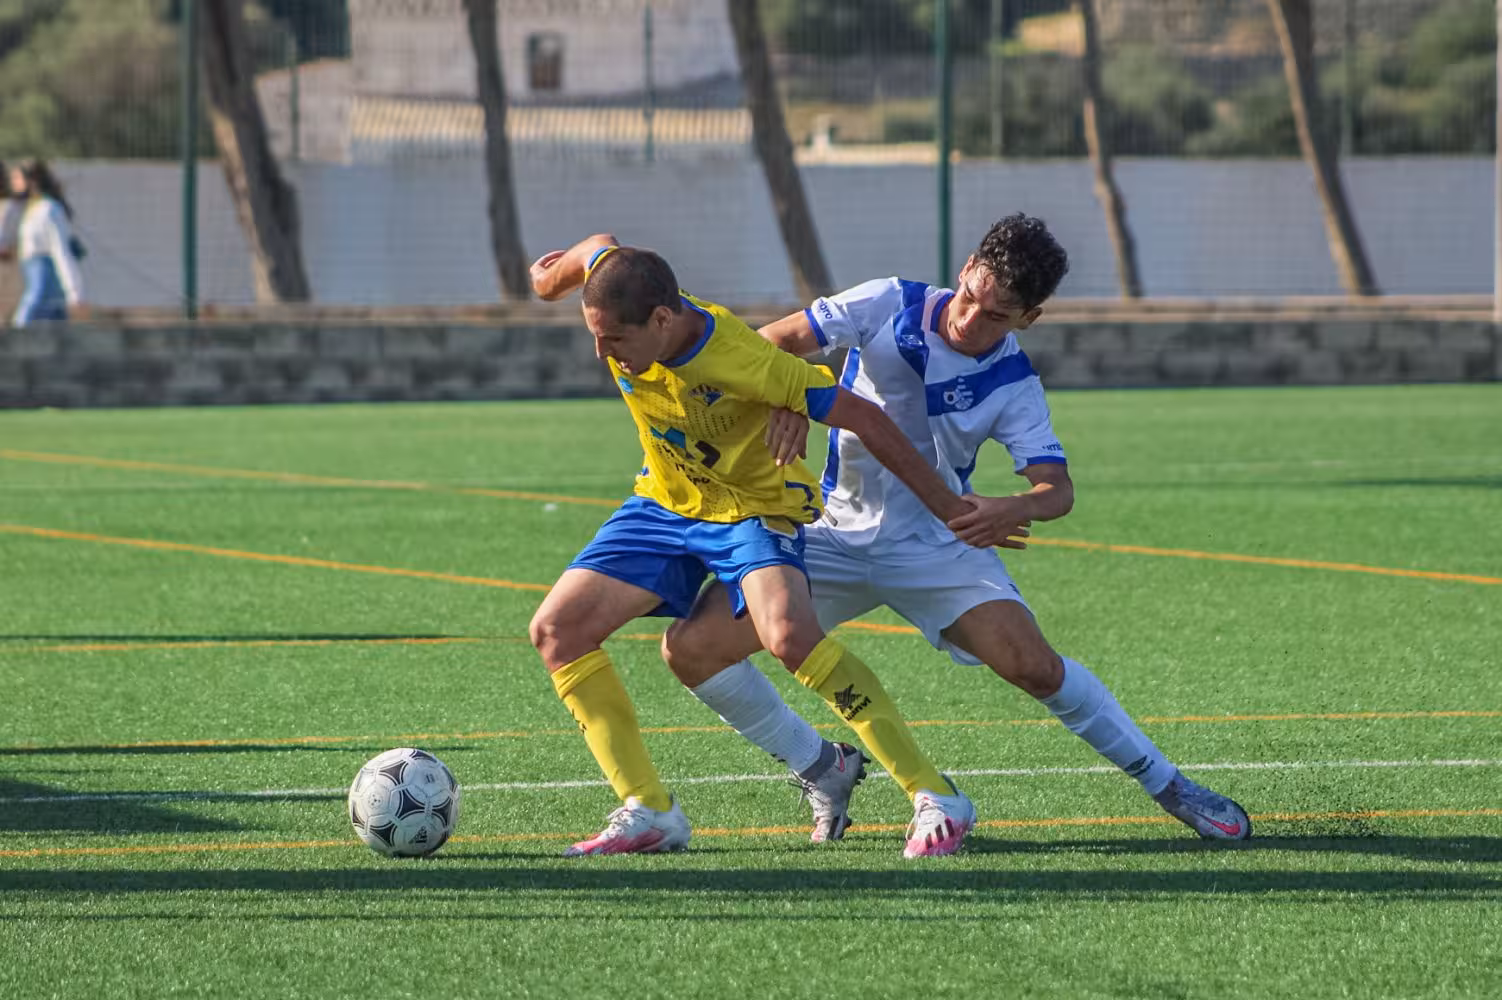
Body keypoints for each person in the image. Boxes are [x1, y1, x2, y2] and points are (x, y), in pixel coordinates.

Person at [661, 214, 1252, 852]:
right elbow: (764, 343)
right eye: (972, 296)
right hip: (824, 533)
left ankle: (1170, 786)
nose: (971, 320)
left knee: (1035, 667)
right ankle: (819, 766)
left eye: (997, 315)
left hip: (937, 548)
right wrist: (786, 398)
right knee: (691, 649)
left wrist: (1014, 507)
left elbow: (1058, 489)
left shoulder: (1015, 384)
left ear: (1031, 317)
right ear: (967, 266)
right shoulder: (887, 300)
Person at [527, 233, 990, 857]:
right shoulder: (621, 282)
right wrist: (547, 281)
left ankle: (935, 794)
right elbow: (596, 250)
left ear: (662, 320)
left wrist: (951, 511)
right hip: (666, 500)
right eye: (595, 333)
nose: (601, 351)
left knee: (789, 635)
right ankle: (650, 810)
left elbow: (866, 417)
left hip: (752, 508)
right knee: (557, 630)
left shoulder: (743, 359)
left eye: (614, 339)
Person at [7, 159, 84, 326]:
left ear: (31, 180)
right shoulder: (29, 209)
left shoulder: (49, 209)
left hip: (44, 287)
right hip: (35, 281)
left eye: (16, 178)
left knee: (20, 329)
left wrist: (74, 292)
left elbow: (61, 251)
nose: (12, 183)